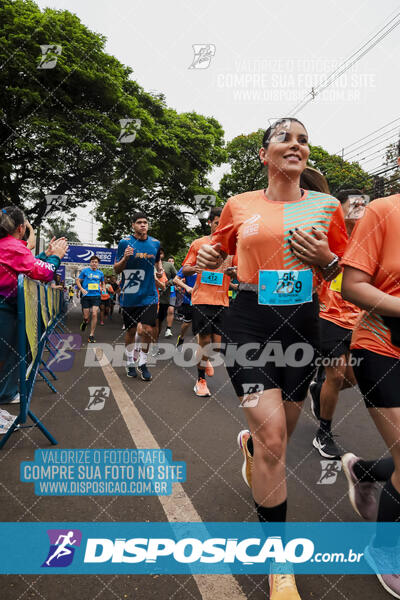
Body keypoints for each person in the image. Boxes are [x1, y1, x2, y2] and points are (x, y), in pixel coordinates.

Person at [196, 118, 348, 599]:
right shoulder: (239, 206)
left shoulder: (328, 207)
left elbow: (343, 271)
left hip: (302, 321)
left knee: (281, 424)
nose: (297, 145)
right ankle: (279, 562)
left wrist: (327, 262)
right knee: (276, 440)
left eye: (303, 139)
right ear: (264, 154)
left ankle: (251, 450)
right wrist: (207, 260)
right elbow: (217, 252)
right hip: (249, 319)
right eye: (286, 137)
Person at [340, 144, 400, 597]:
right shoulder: (382, 211)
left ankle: (365, 471)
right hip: (379, 345)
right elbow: (353, 286)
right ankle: (385, 551)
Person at [306, 190, 367, 459]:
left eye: (363, 203)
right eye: (353, 204)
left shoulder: (369, 240)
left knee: (353, 379)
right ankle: (324, 432)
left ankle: (318, 391)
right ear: (339, 210)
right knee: (337, 373)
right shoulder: (326, 238)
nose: (360, 207)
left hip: (359, 319)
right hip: (328, 314)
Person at [0, 207, 68, 406]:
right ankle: (5, 395)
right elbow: (43, 273)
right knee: (7, 356)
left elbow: (27, 266)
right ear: (21, 228)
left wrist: (45, 255)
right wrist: (56, 257)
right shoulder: (13, 246)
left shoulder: (8, 246)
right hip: (5, 311)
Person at [182, 206, 233, 398]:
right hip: (202, 299)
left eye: (224, 224)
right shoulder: (199, 243)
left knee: (217, 347)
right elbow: (185, 269)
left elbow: (240, 270)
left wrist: (233, 273)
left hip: (222, 300)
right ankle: (200, 380)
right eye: (217, 222)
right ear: (210, 222)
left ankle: (205, 357)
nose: (220, 227)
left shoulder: (232, 247)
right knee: (204, 342)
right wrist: (197, 267)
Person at [114, 212, 162, 381]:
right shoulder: (124, 243)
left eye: (145, 222)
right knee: (131, 331)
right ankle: (129, 362)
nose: (143, 225)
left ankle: (142, 362)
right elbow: (117, 269)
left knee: (148, 330)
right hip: (130, 294)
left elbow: (156, 260)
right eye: (139, 222)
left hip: (149, 294)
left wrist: (160, 269)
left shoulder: (155, 243)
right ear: (133, 225)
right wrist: (125, 258)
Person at [76, 256, 105, 343]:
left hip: (96, 296)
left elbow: (103, 282)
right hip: (86, 296)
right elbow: (77, 280)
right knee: (86, 317)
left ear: (98, 263)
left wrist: (103, 288)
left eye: (96, 262)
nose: (94, 263)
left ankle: (91, 335)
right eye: (92, 262)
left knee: (95, 314)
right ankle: (85, 322)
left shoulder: (100, 273)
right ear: (90, 263)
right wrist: (81, 289)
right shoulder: (85, 271)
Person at [156, 248, 177, 339]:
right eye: (156, 253)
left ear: (163, 255)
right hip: (151, 297)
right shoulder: (149, 264)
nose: (158, 255)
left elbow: (177, 277)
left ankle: (166, 330)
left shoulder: (169, 265)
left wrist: (169, 282)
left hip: (165, 298)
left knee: (160, 320)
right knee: (154, 321)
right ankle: (153, 341)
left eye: (160, 253)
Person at [174, 267, 197, 349]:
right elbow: (175, 280)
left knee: (199, 325)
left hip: (203, 299)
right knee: (187, 323)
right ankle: (181, 338)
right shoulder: (187, 266)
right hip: (189, 299)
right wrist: (186, 287)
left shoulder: (208, 265)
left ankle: (200, 349)